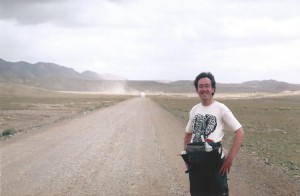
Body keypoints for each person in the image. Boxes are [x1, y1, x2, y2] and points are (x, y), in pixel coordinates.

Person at [183, 72, 244, 196]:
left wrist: (229, 159)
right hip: (196, 162)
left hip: (215, 162)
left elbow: (240, 132)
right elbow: (188, 134)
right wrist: (187, 158)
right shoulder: (194, 110)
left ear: (213, 89)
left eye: (207, 86)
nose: (204, 89)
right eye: (201, 86)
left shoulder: (221, 108)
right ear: (197, 89)